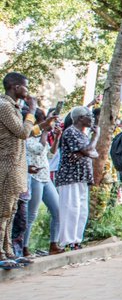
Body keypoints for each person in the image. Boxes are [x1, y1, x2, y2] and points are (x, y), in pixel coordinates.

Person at [1, 73, 39, 269]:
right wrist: (32, 110)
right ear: (15, 87)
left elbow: (27, 131)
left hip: (16, 166)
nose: (28, 91)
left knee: (12, 210)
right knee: (4, 210)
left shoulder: (14, 107)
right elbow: (23, 132)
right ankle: (1, 252)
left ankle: (8, 250)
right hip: (6, 166)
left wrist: (43, 126)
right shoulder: (5, 106)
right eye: (25, 87)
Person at [54, 106, 97, 251]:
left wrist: (85, 152)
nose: (92, 119)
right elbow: (88, 150)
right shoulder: (71, 132)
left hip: (82, 176)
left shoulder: (83, 134)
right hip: (70, 177)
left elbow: (93, 152)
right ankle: (67, 241)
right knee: (70, 208)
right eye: (89, 116)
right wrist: (94, 139)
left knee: (81, 209)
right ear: (80, 118)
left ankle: (76, 240)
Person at [26, 109, 62, 255]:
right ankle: (24, 247)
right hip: (34, 178)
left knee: (58, 210)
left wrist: (57, 137)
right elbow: (39, 149)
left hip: (45, 178)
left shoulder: (41, 136)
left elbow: (50, 154)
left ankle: (54, 244)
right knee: (31, 214)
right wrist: (46, 132)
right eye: (43, 120)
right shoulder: (27, 137)